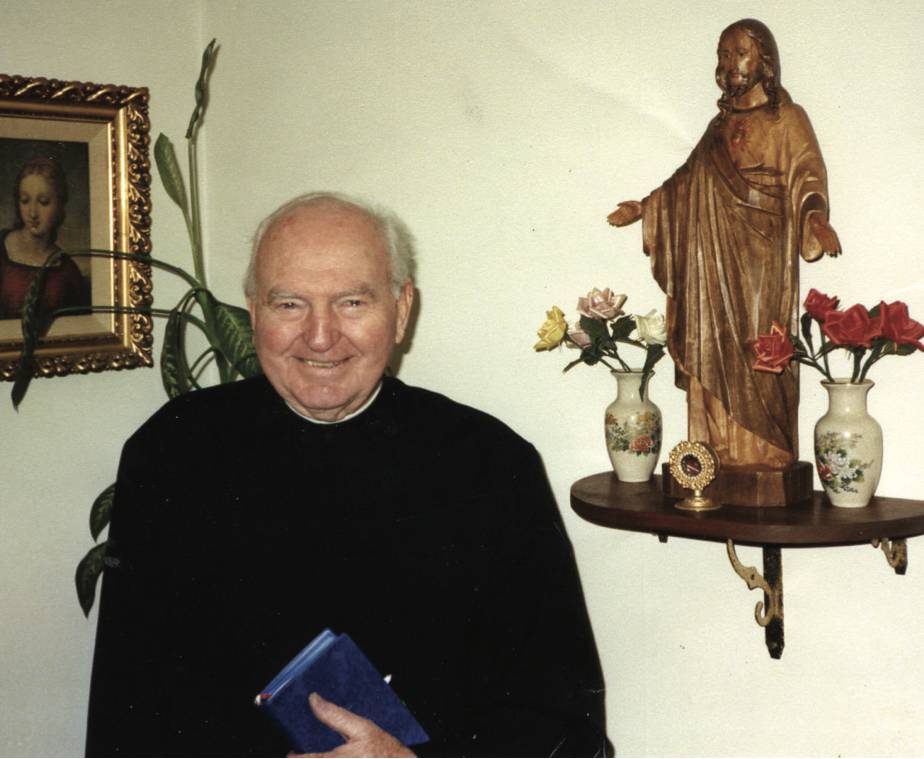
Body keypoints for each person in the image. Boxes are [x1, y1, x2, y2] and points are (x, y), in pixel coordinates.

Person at [86, 192, 610, 757]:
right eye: (289, 304)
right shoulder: (173, 451)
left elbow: (561, 717)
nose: (319, 336)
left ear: (401, 309)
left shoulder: (491, 463)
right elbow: (128, 702)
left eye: (352, 303)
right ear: (253, 309)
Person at [607, 19, 840, 468]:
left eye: (739, 53)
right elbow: (687, 182)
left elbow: (807, 173)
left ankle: (766, 456)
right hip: (711, 262)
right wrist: (647, 206)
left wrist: (814, 217)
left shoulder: (786, 119)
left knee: (759, 348)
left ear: (765, 61)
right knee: (709, 341)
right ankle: (714, 455)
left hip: (762, 258)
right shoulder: (719, 126)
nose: (729, 63)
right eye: (724, 54)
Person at [0, 156, 88, 319]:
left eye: (44, 202)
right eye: (25, 201)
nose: (32, 213)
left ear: (60, 205)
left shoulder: (67, 271)